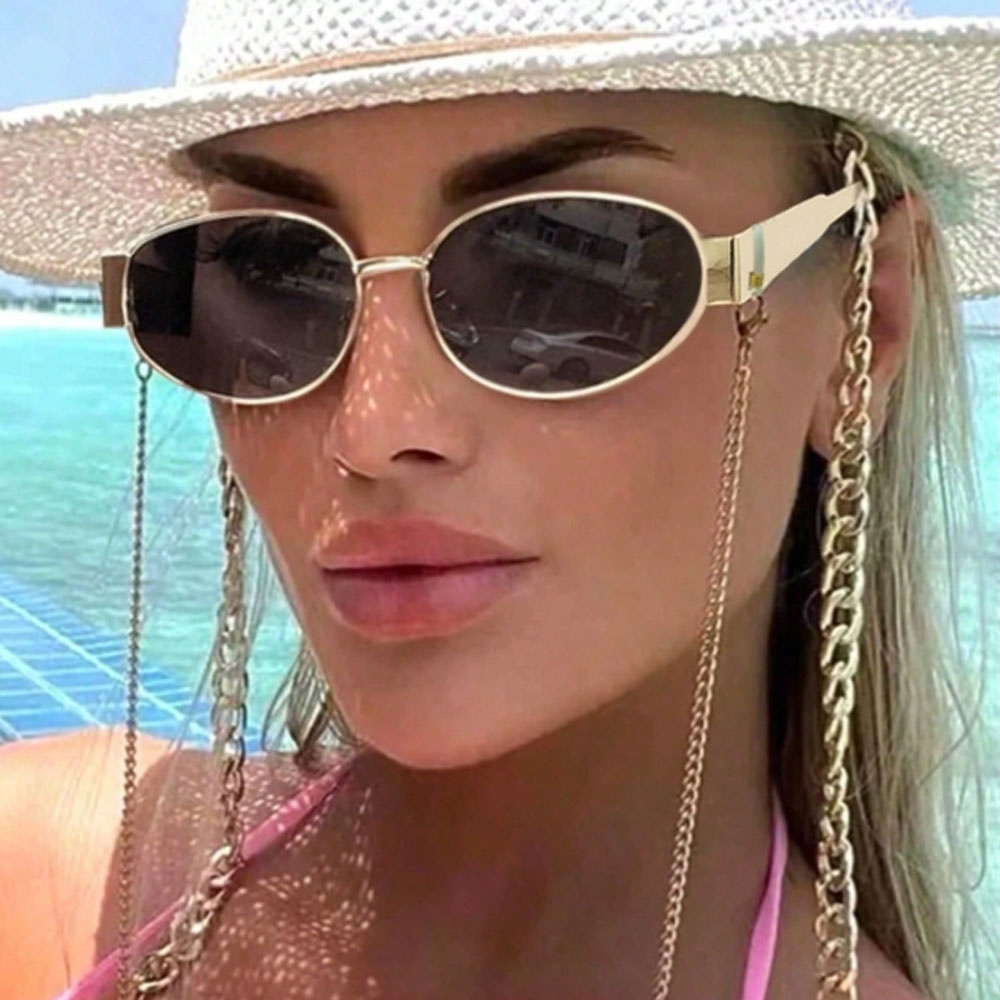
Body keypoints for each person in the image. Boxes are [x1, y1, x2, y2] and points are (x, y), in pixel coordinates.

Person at [0, 1, 996, 998]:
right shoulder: (43, 876)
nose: (373, 429)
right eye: (272, 278)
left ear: (865, 324)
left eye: (556, 273)